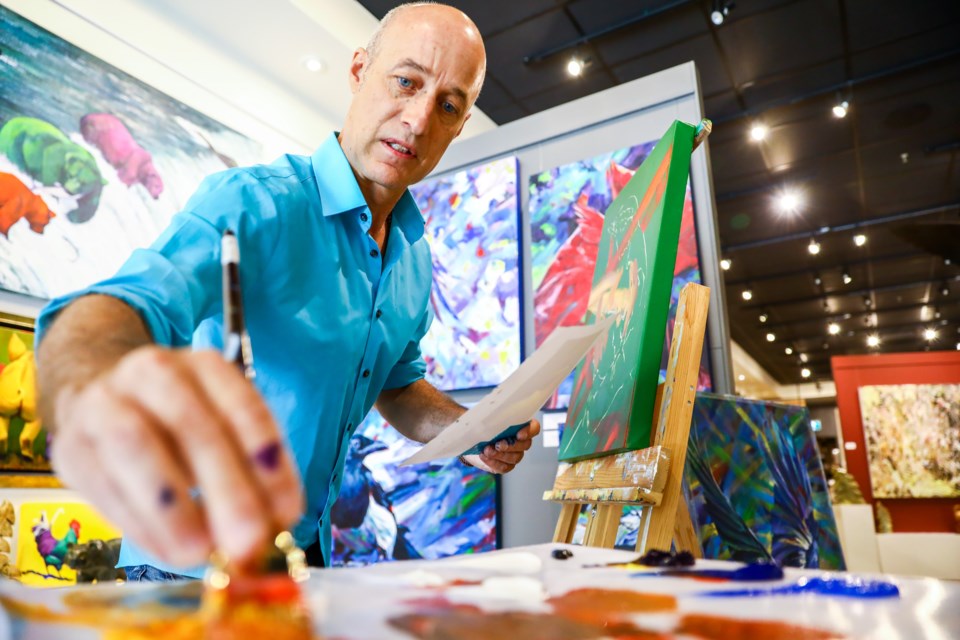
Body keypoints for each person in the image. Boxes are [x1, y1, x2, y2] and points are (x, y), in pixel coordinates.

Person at [35, 2, 540, 581]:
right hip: (187, 572)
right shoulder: (253, 201)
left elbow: (398, 387)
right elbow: (139, 298)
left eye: (448, 106)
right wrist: (85, 375)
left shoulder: (414, 256)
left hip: (304, 566)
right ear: (358, 71)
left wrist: (471, 431)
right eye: (406, 82)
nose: (419, 119)